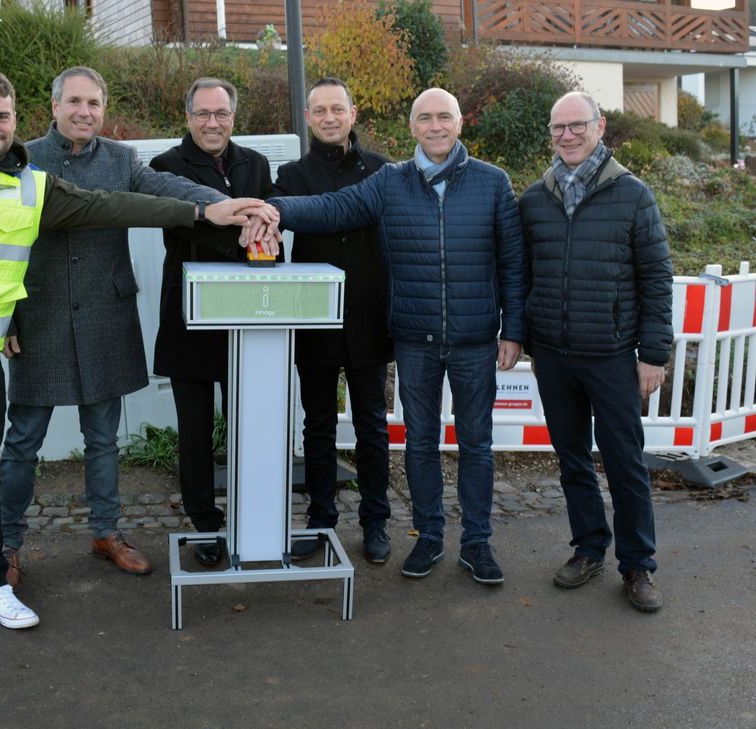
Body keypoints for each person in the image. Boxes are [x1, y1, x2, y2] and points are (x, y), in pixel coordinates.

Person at [0, 68, 270, 631]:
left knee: (62, 450)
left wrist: (211, 207)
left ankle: (51, 555)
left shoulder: (68, 171)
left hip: (37, 340)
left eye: (0, 117)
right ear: (50, 105)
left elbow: (131, 200)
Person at [257, 88, 527, 584]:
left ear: (460, 122)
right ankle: (427, 539)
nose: (435, 126)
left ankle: (477, 543)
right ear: (412, 127)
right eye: (424, 118)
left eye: (443, 116)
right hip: (415, 337)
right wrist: (273, 211)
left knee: (477, 444)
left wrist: (514, 330)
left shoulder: (492, 182)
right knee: (420, 443)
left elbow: (512, 261)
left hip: (474, 337)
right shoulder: (390, 181)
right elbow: (333, 208)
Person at [0, 67, 234, 586]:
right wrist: (7, 314)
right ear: (54, 106)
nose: (85, 112)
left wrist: (217, 204)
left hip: (106, 316)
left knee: (104, 440)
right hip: (41, 317)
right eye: (75, 102)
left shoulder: (122, 160)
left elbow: (163, 187)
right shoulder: (25, 160)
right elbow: (1, 246)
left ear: (104, 110)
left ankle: (106, 532)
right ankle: (6, 543)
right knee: (23, 442)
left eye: (94, 104)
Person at [518, 91, 673, 612]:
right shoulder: (535, 199)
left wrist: (653, 353)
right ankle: (589, 548)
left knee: (625, 462)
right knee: (572, 460)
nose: (567, 135)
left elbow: (656, 278)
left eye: (576, 125)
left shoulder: (633, 195)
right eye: (557, 127)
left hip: (611, 356)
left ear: (599, 126)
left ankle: (638, 566)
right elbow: (522, 276)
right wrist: (526, 337)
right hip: (554, 356)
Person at [149, 77, 274, 566]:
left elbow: (270, 221)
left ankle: (249, 517)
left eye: (221, 113)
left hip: (248, 319)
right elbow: (184, 226)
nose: (212, 123)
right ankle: (205, 525)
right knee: (195, 431)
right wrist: (244, 232)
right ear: (188, 117)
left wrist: (256, 229)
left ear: (233, 117)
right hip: (190, 320)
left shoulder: (256, 165)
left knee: (250, 428)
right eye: (203, 113)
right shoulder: (166, 167)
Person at [271, 77, 393, 564]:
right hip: (314, 315)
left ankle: (376, 520)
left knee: (372, 424)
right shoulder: (290, 177)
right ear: (307, 117)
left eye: (336, 109)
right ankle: (320, 518)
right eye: (318, 110)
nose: (328, 117)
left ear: (353, 113)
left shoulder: (384, 171)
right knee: (317, 424)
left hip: (368, 313)